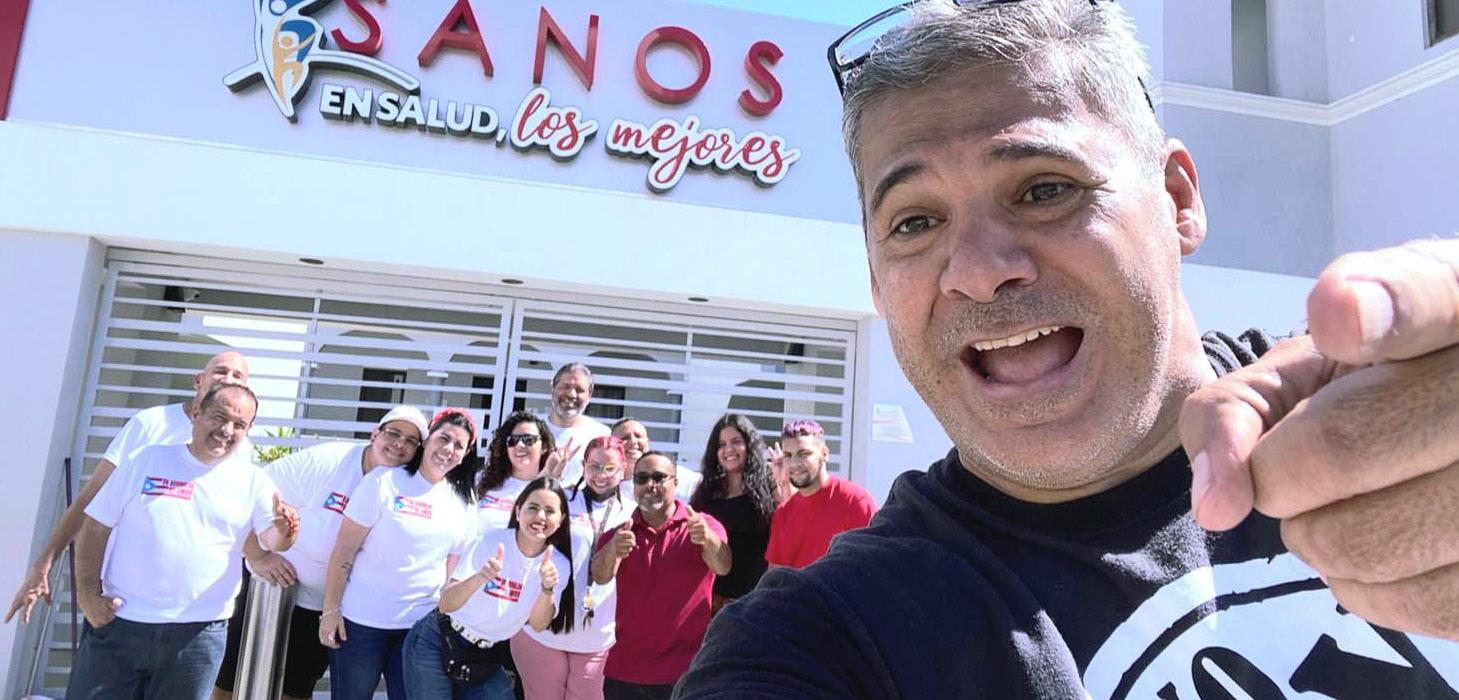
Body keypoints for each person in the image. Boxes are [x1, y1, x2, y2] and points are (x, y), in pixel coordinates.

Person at [678, 1, 1459, 696]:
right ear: (876, 283)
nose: (979, 271)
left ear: (1176, 199)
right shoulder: (827, 638)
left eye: (1044, 189)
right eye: (914, 222)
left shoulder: (1388, 414)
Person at [65, 384, 298, 700]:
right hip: (121, 623)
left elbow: (272, 540)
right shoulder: (146, 460)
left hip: (198, 636)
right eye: (219, 417)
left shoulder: (254, 481)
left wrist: (286, 532)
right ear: (197, 413)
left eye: (239, 424)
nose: (226, 431)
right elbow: (95, 527)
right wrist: (89, 597)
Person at [7, 350, 251, 625]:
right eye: (221, 371)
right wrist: (44, 563)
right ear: (199, 380)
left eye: (237, 375)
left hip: (194, 620)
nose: (228, 378)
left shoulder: (239, 448)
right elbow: (94, 496)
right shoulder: (152, 424)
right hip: (122, 607)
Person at [212, 405, 429, 700]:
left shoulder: (408, 489)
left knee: (296, 688)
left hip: (323, 605)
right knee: (230, 678)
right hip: (267, 588)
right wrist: (257, 555)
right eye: (393, 433)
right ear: (374, 434)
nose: (399, 444)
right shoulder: (329, 460)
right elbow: (253, 495)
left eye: (411, 440)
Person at [320, 408, 482, 699]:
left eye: (458, 445)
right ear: (427, 439)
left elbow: (453, 568)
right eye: (443, 438)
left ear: (466, 454)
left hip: (417, 629)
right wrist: (330, 610)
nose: (448, 449)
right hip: (361, 624)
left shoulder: (464, 500)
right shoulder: (383, 481)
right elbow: (345, 548)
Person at [402, 477, 579, 700]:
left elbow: (538, 624)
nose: (540, 516)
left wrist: (546, 589)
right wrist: (480, 577)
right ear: (518, 512)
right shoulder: (490, 543)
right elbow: (446, 604)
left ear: (561, 520)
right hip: (438, 641)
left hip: (486, 655)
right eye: (532, 508)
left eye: (549, 511)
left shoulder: (558, 565)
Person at [594, 453, 729, 700]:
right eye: (642, 478)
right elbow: (600, 577)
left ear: (675, 483)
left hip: (685, 670)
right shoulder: (620, 534)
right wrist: (612, 550)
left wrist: (708, 539)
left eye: (658, 478)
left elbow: (723, 566)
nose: (650, 485)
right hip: (625, 671)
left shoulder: (702, 525)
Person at [513, 436, 631, 700]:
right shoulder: (560, 499)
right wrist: (546, 476)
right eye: (594, 466)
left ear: (623, 470)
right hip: (544, 628)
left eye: (610, 468)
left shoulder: (630, 511)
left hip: (596, 632)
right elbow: (519, 519)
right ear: (584, 465)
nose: (601, 475)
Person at [687, 413, 775, 612]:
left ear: (749, 445)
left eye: (736, 442)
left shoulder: (770, 486)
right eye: (721, 445)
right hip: (713, 605)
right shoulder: (707, 492)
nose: (728, 449)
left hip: (755, 603)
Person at [763, 420, 876, 569]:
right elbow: (775, 575)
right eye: (788, 455)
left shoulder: (855, 502)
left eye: (804, 454)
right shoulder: (783, 514)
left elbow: (874, 565)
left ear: (825, 454)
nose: (794, 463)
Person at [478, 411, 562, 533]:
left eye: (528, 439)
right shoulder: (482, 481)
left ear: (544, 446)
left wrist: (545, 477)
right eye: (512, 440)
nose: (520, 445)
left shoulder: (552, 490)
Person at [543, 363, 611, 484]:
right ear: (552, 389)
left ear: (589, 396)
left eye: (579, 390)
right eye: (565, 387)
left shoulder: (602, 435)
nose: (571, 394)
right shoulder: (532, 430)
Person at [611, 417, 702, 501]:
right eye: (625, 438)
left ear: (647, 441)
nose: (633, 441)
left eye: (638, 436)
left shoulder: (679, 475)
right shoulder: (608, 486)